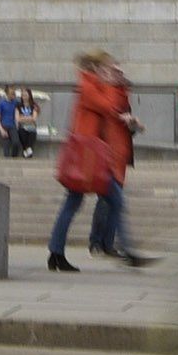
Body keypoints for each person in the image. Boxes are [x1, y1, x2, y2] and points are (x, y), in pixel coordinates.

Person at [41, 51, 147, 275]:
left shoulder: (92, 85)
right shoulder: (88, 86)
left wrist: (117, 86)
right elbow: (109, 106)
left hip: (91, 155)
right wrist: (116, 83)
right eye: (105, 68)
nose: (108, 72)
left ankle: (56, 253)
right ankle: (126, 251)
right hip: (87, 156)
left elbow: (112, 109)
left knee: (74, 203)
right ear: (96, 68)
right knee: (112, 201)